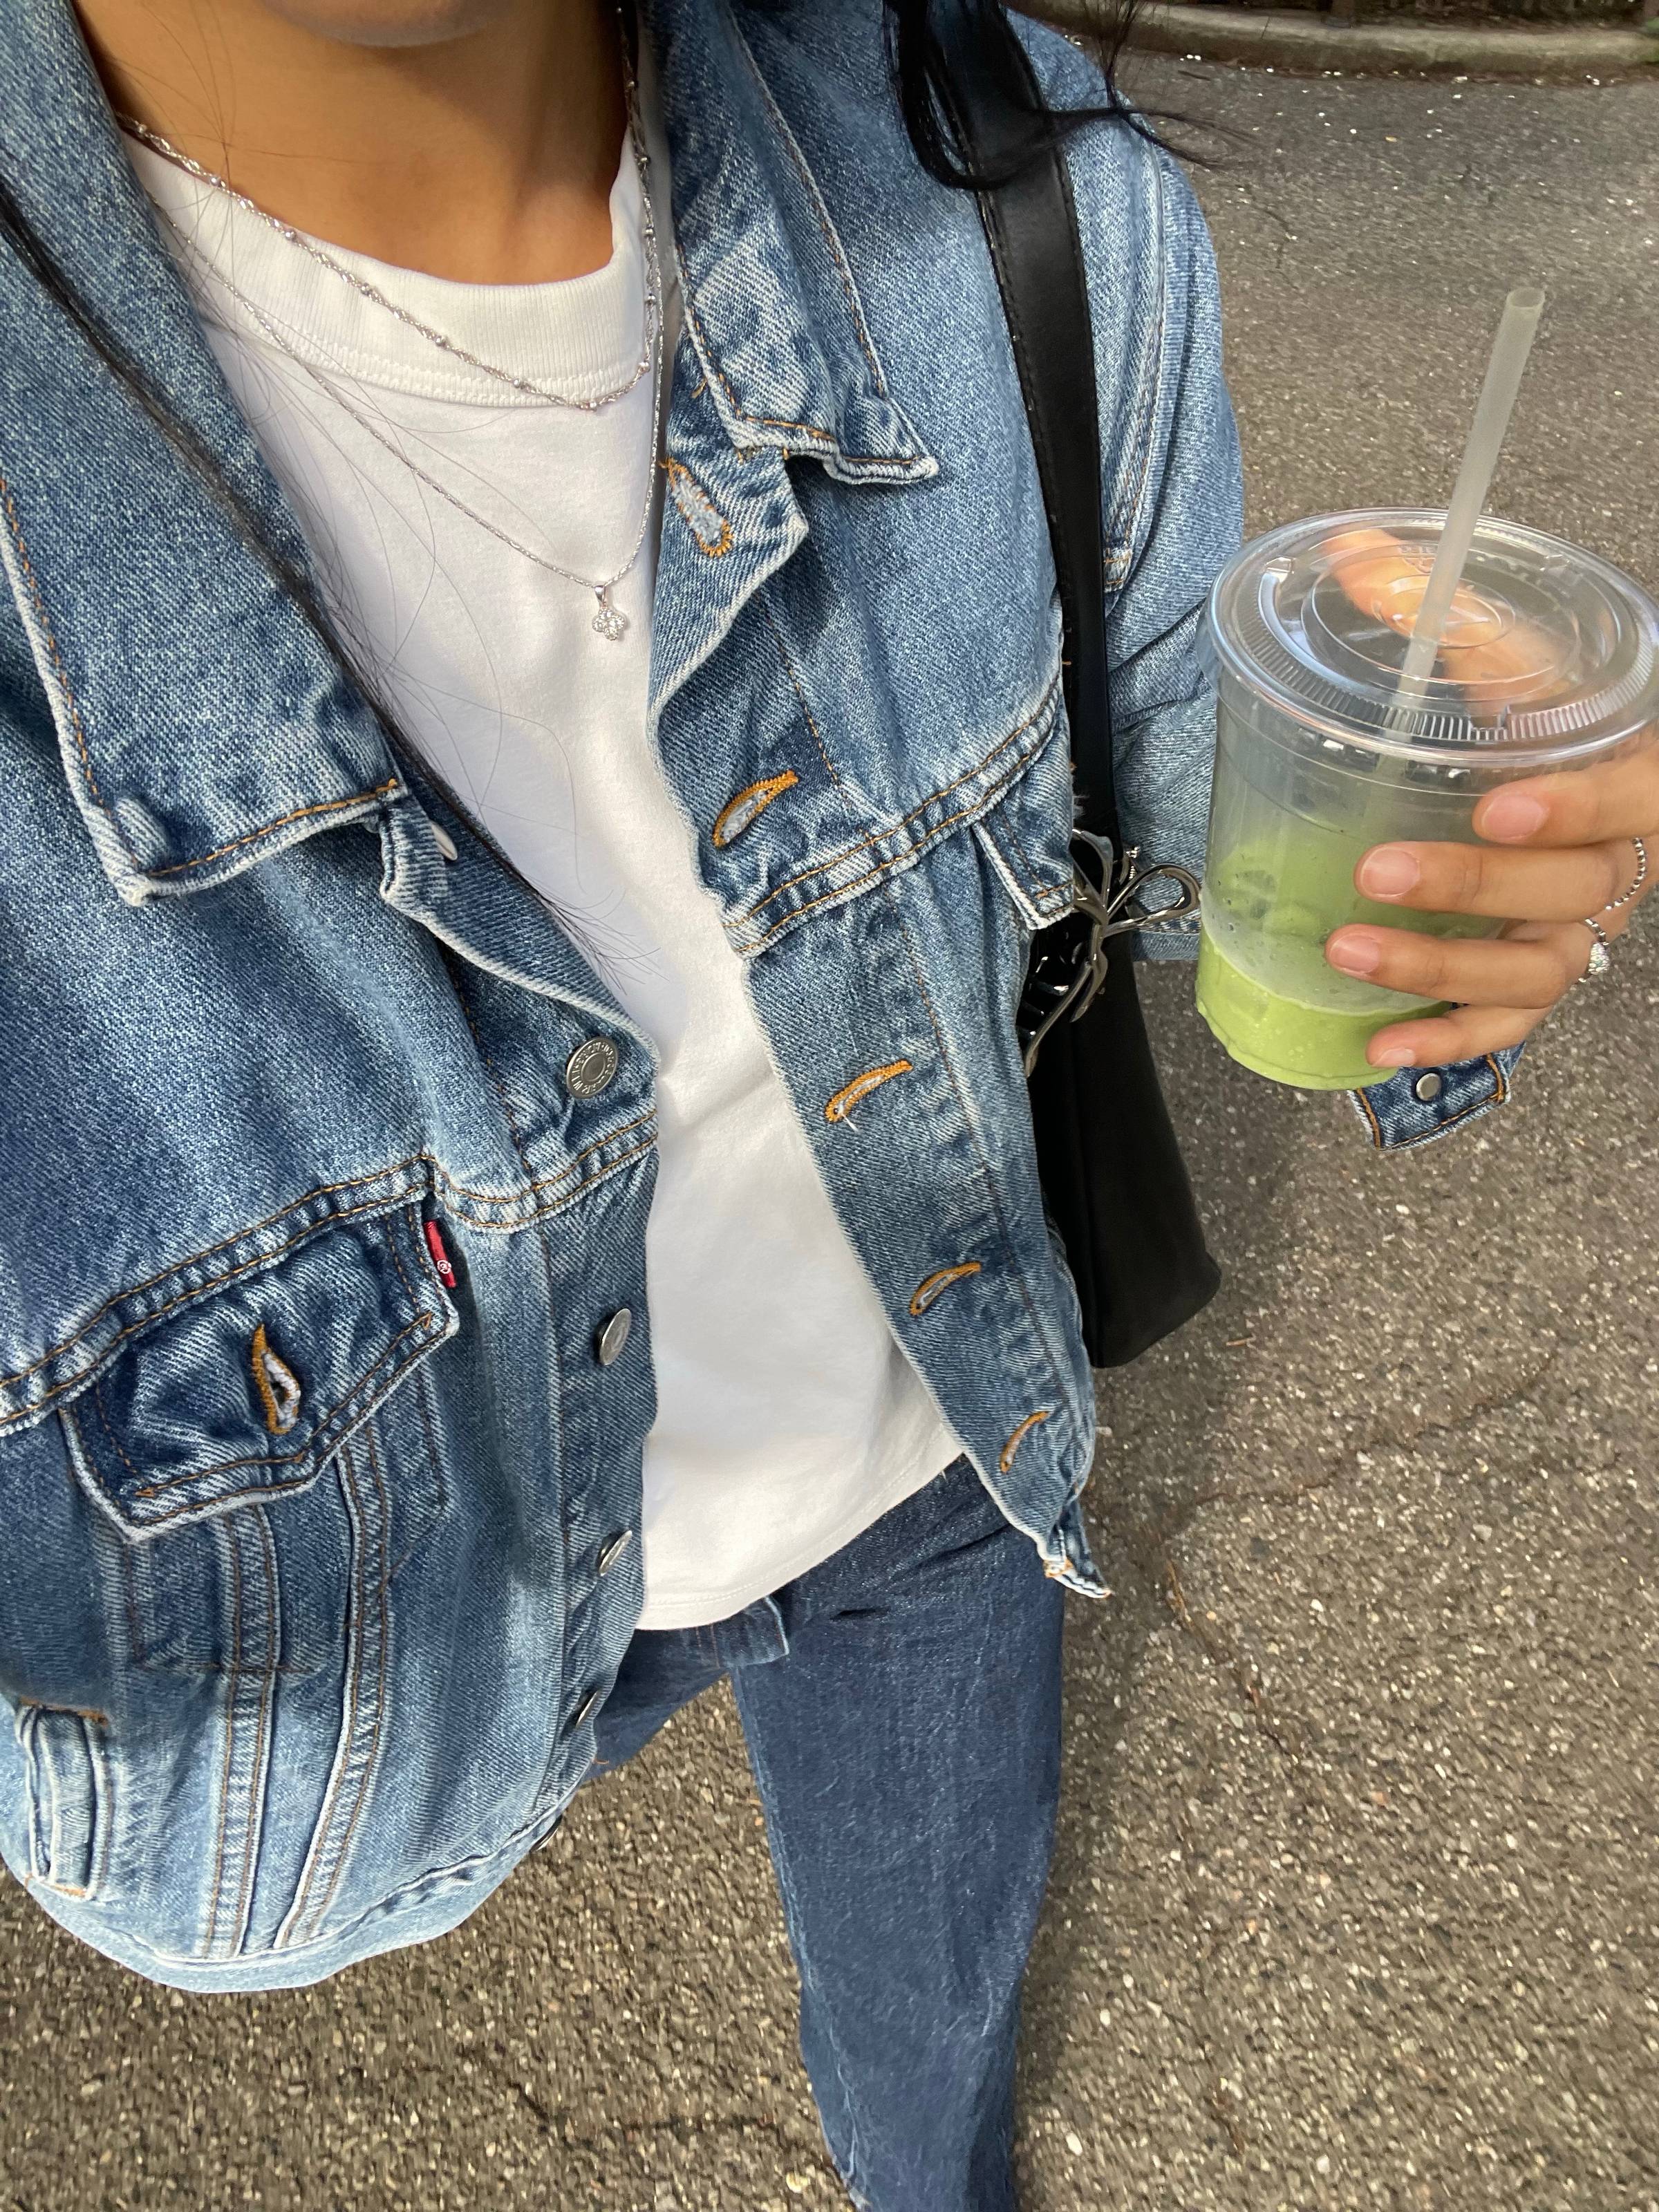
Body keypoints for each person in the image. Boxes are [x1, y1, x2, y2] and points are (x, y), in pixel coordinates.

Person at [0, 1, 1651, 2204]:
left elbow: (1168, 810)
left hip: (923, 1463)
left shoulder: (1019, 190)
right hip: (371, 1669)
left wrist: (1439, 882)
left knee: (931, 2045)